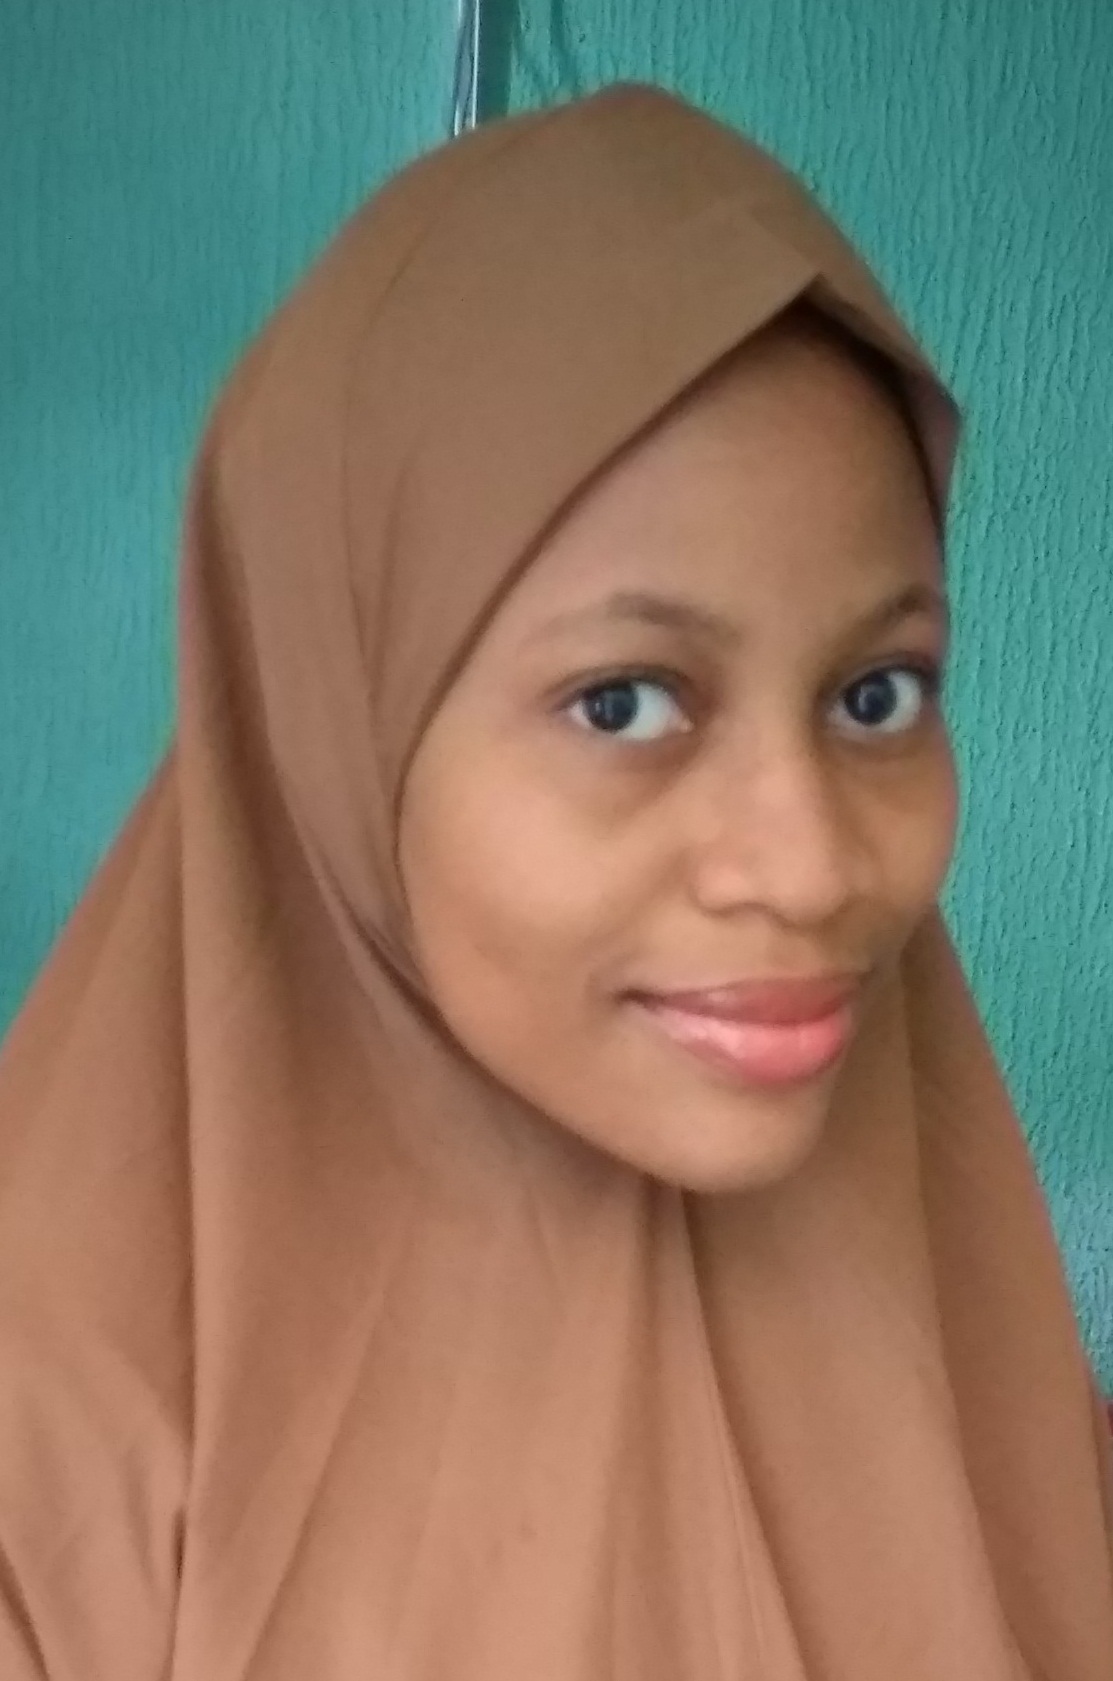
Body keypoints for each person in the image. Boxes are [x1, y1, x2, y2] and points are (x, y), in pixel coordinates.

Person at [0, 81, 1110, 1681]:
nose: (810, 865)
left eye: (876, 694)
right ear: (337, 724)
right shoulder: (53, 1467)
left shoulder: (963, 1316)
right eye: (623, 704)